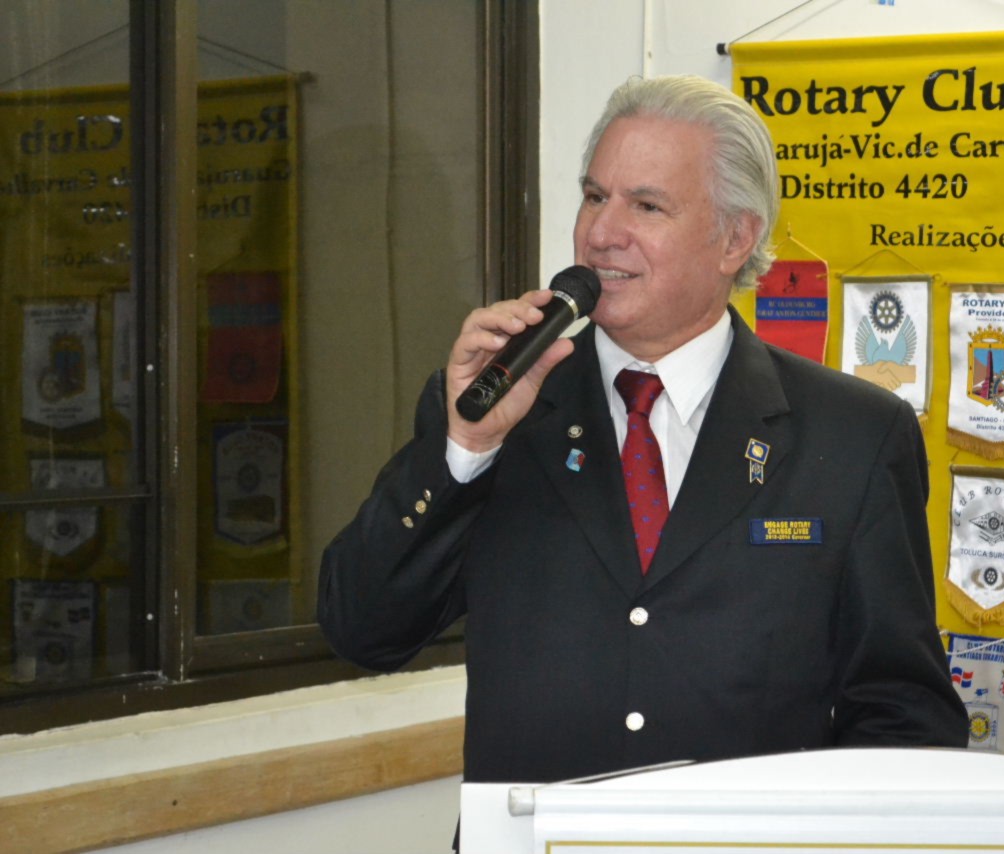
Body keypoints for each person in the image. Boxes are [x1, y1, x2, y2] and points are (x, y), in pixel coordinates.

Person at [317, 75, 968, 788]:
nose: (601, 234)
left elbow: (904, 716)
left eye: (647, 206)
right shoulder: (501, 407)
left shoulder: (854, 435)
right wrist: (466, 449)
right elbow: (363, 632)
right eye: (595, 196)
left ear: (735, 238)